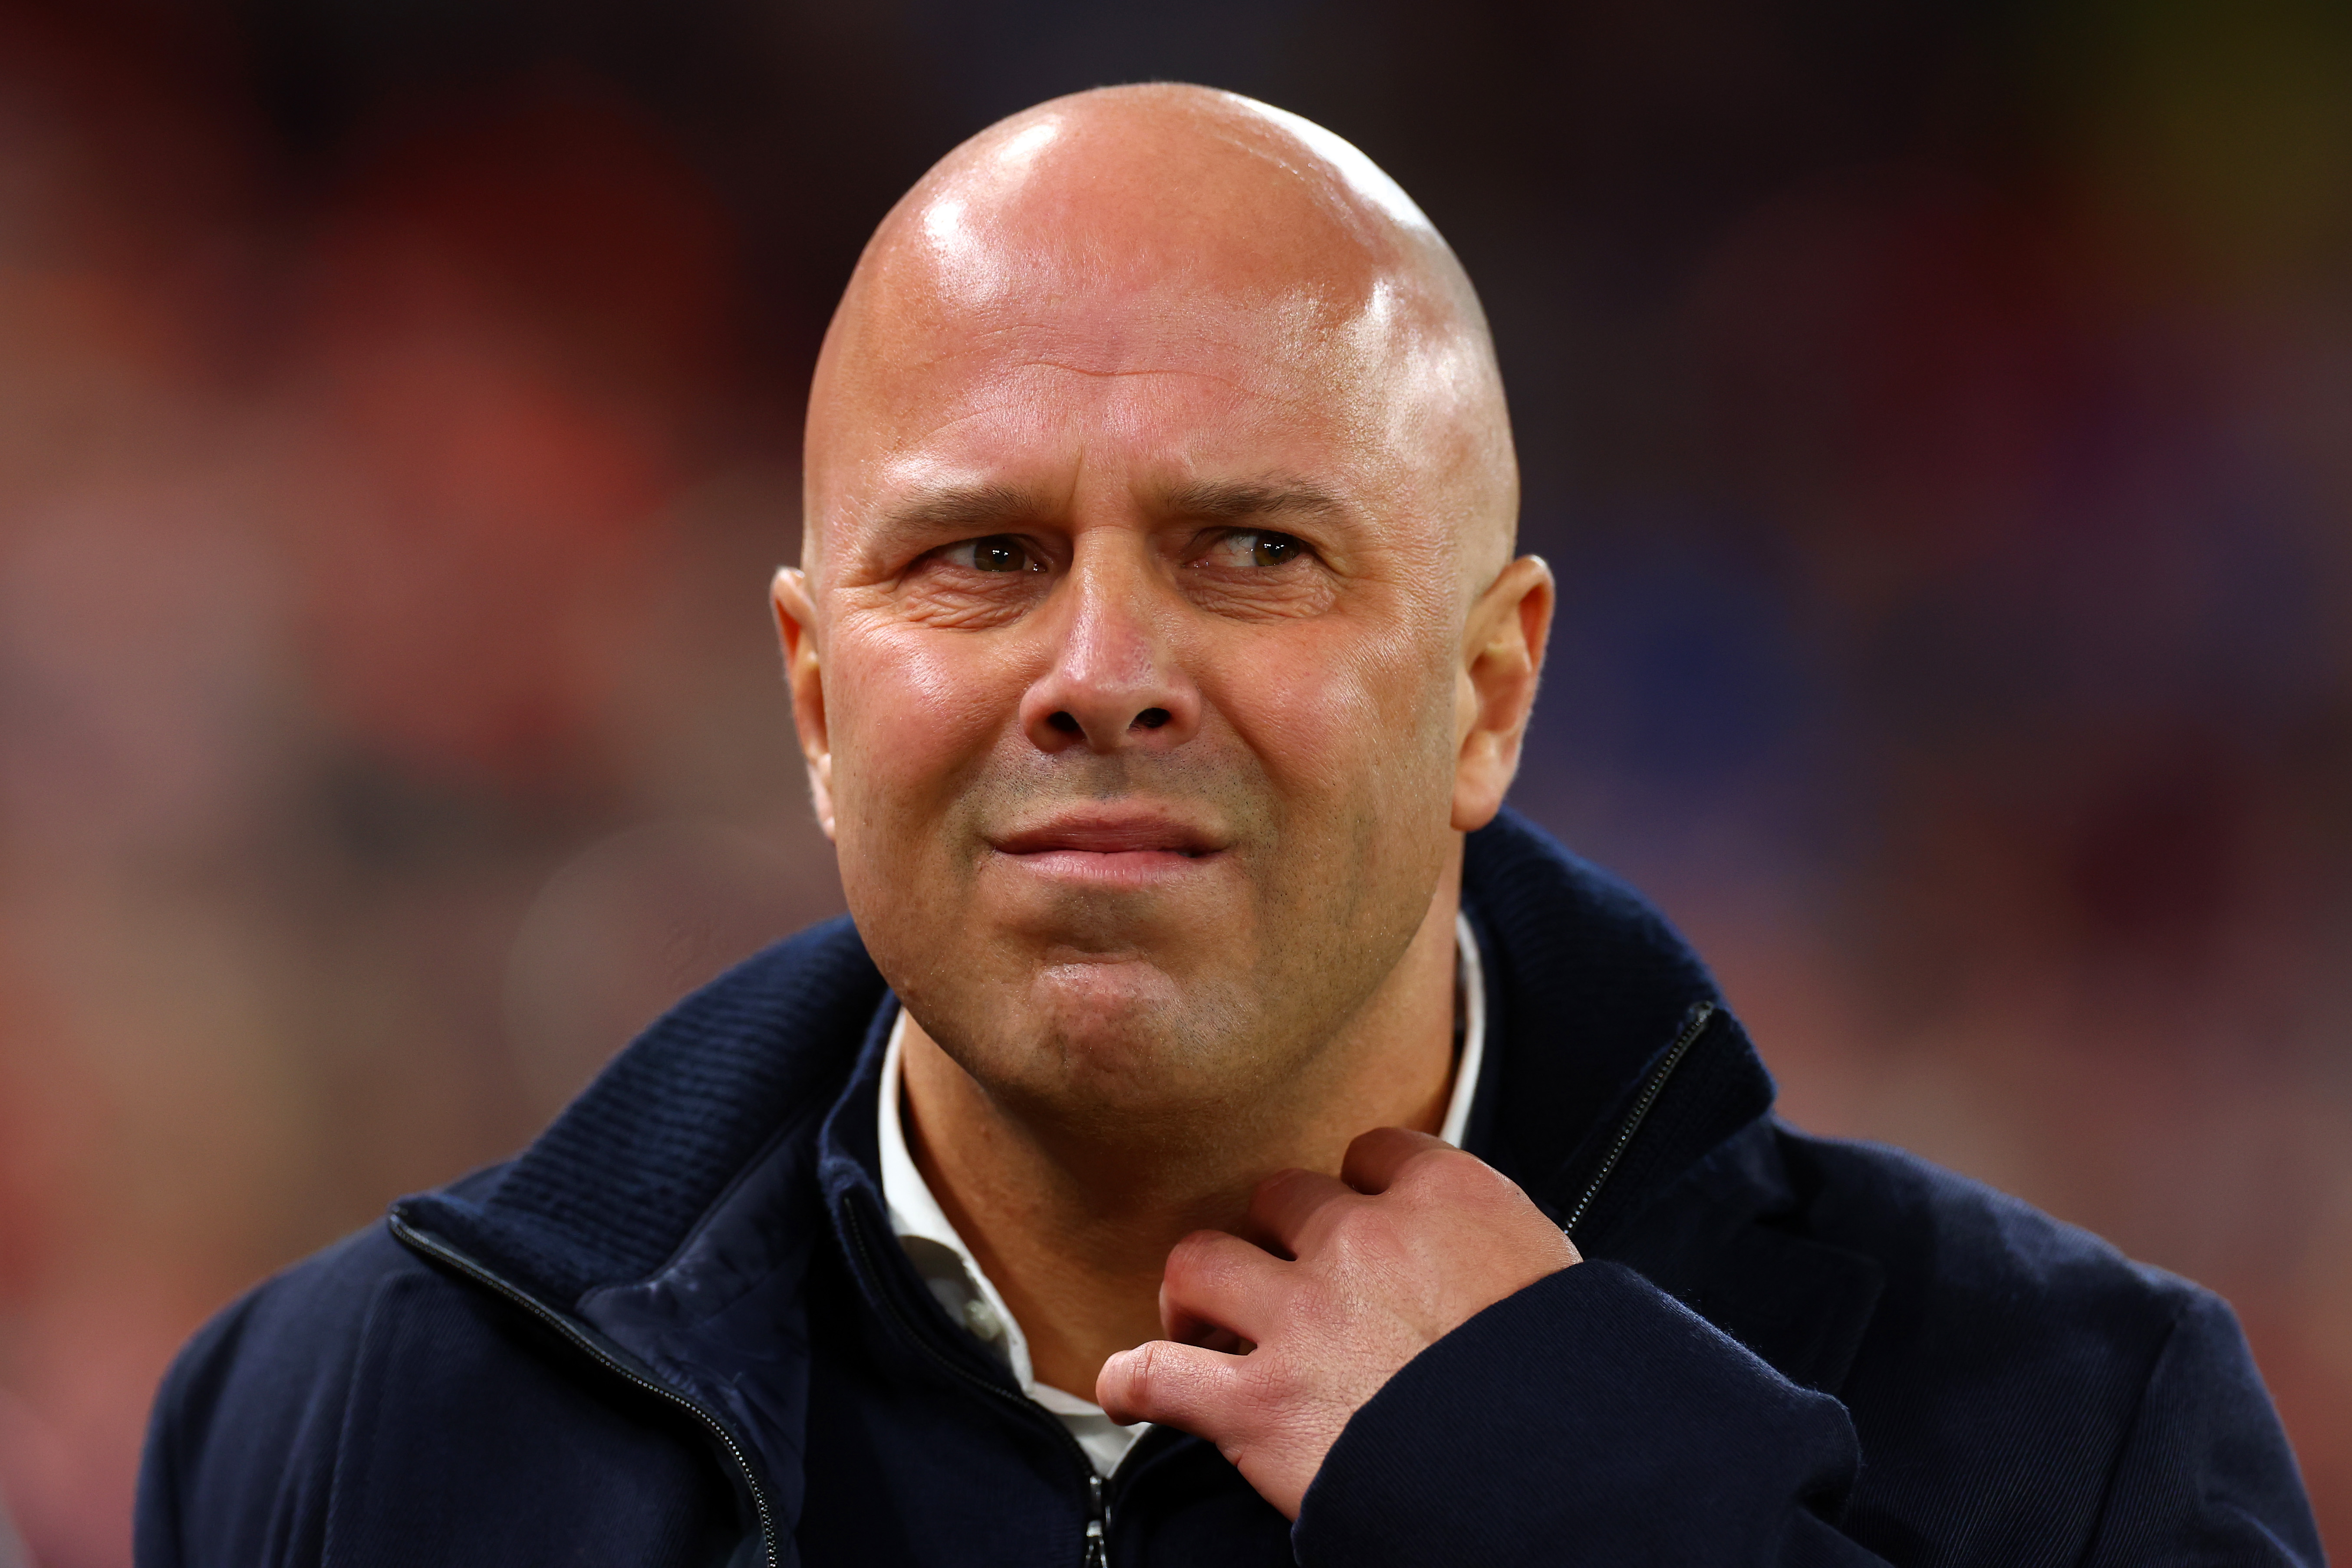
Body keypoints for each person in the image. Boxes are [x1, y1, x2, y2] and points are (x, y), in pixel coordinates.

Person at [135, 85, 2321, 1567]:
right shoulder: (337, 1428)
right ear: (816, 698)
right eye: (977, 555)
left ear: (1487, 694)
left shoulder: (2070, 1425)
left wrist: (1586, 1496)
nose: (1098, 665)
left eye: (1254, 550)